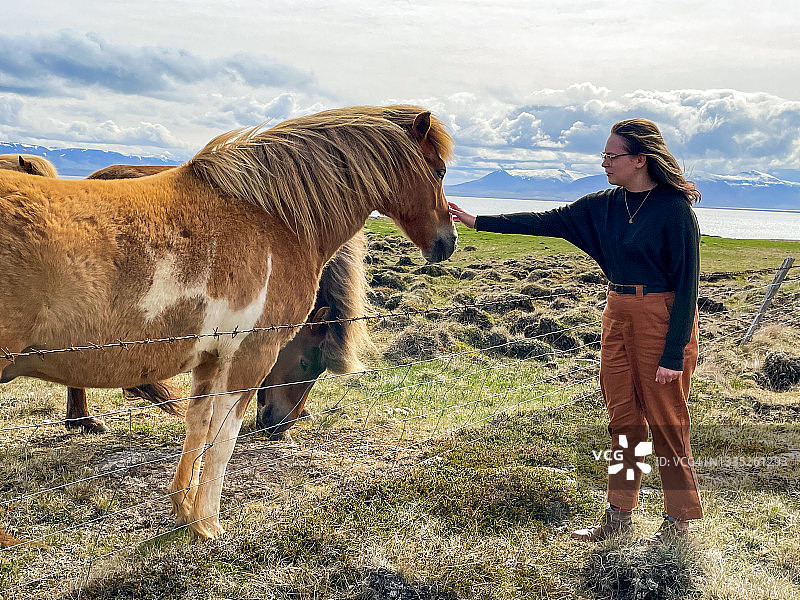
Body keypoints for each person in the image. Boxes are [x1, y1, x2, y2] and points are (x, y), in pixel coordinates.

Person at [448, 119, 702, 544]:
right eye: (604, 156)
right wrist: (479, 221)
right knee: (623, 419)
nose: (604, 163)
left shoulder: (674, 210)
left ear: (640, 159)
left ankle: (679, 522)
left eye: (611, 156)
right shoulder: (603, 204)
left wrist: (674, 353)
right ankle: (618, 515)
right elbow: (549, 219)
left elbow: (689, 283)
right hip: (617, 311)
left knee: (666, 421)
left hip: (662, 314)